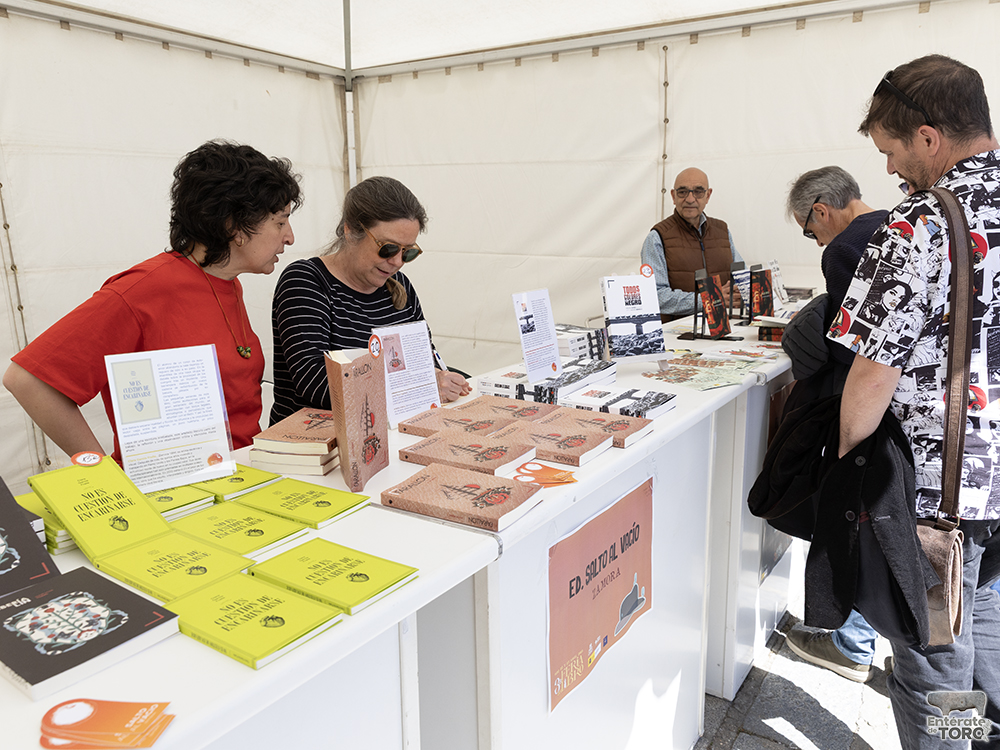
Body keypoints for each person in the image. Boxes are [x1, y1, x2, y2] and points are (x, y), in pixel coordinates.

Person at [830, 55, 1000, 748]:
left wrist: (849, 469)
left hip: (937, 496)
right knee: (980, 610)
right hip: (992, 495)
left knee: (932, 664)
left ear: (929, 138)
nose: (892, 172)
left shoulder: (917, 227)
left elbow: (872, 377)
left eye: (892, 151)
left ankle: (955, 738)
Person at [3, 141, 300, 462]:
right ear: (234, 225)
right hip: (173, 496)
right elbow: (28, 380)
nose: (289, 236)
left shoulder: (228, 283)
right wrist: (99, 470)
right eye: (280, 222)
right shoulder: (143, 290)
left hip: (238, 479)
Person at [779, 166, 888, 683]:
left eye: (808, 228)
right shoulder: (897, 225)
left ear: (821, 209)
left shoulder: (843, 249)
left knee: (859, 522)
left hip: (871, 408)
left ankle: (854, 644)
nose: (813, 237)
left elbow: (855, 347)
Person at [270, 176, 470, 425]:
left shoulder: (400, 286)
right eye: (387, 248)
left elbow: (425, 361)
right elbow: (316, 384)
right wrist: (417, 388)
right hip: (317, 449)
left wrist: (442, 378)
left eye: (408, 252)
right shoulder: (306, 281)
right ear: (350, 229)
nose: (397, 262)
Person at [640, 167, 744, 321]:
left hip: (726, 327)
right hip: (679, 335)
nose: (690, 199)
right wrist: (710, 299)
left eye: (698, 191)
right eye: (682, 192)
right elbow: (656, 295)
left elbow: (742, 276)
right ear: (673, 196)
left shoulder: (722, 231)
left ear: (708, 195)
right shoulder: (657, 238)